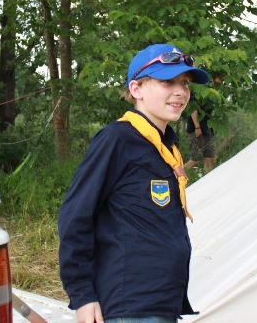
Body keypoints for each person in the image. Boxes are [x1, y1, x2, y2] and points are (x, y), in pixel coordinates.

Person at [58, 43, 209, 323]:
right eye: (168, 82)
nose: (180, 91)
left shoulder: (165, 145)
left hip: (162, 302)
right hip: (130, 307)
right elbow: (75, 216)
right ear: (136, 89)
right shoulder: (117, 140)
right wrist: (82, 294)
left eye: (185, 83)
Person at [184, 75, 223, 174]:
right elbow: (193, 109)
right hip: (197, 128)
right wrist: (197, 127)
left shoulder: (214, 94)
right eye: (220, 80)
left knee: (210, 158)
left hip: (209, 129)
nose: (222, 83)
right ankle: (178, 177)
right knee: (196, 159)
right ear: (213, 78)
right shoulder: (199, 90)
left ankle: (208, 180)